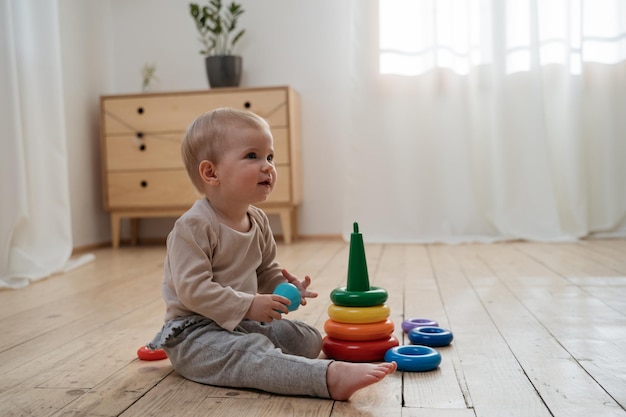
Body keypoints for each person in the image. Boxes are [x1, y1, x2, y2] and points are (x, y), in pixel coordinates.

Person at [148, 108, 396, 400]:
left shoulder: (259, 220)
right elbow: (193, 291)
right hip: (194, 333)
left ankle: (286, 362)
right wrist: (250, 304)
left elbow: (264, 270)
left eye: (270, 157)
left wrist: (284, 287)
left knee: (308, 339)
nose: (267, 166)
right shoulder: (194, 225)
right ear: (211, 172)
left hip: (241, 322)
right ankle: (327, 378)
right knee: (251, 354)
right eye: (252, 156)